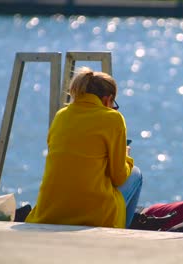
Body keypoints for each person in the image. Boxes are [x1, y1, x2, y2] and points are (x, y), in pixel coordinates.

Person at [26, 67, 142, 229]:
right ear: (107, 99)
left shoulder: (61, 116)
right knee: (136, 174)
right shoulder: (113, 119)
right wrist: (126, 157)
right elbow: (119, 177)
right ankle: (121, 232)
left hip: (50, 212)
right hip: (94, 214)